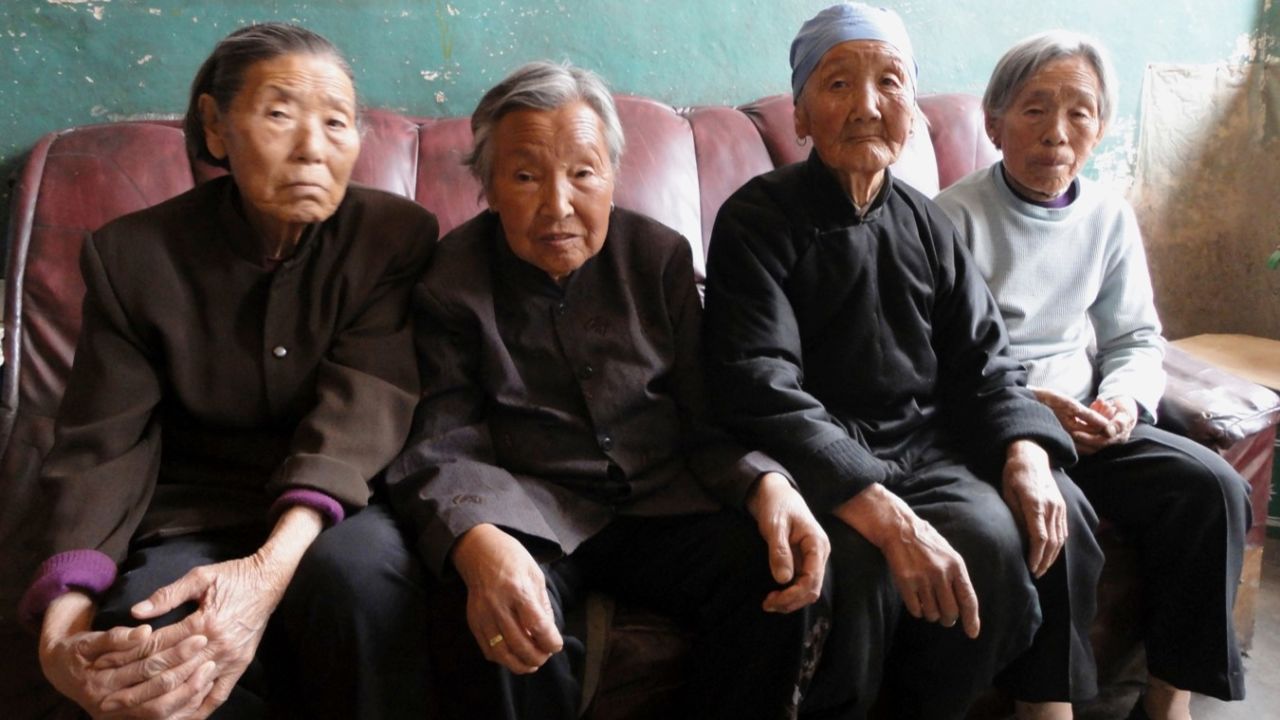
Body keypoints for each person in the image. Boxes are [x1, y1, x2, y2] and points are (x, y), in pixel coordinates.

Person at [383, 60, 830, 720]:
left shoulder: (660, 258)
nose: (558, 205)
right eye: (527, 175)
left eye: (583, 173)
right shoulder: (451, 281)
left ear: (613, 177)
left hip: (663, 501)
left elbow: (709, 415)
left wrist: (768, 483)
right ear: (491, 187)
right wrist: (478, 536)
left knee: (775, 568)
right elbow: (443, 438)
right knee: (492, 611)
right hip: (531, 511)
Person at [18, 23, 438, 719]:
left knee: (361, 588)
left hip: (338, 513)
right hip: (190, 510)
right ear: (216, 126)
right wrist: (61, 624)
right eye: (279, 114)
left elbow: (365, 401)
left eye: (336, 122)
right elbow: (103, 442)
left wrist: (267, 573)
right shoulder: (132, 257)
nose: (312, 147)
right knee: (147, 642)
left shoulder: (393, 238)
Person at [703, 5, 1106, 719]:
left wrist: (1022, 451)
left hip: (926, 452)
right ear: (800, 115)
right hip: (816, 463)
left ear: (912, 112)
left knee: (995, 541)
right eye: (837, 85)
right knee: (853, 574)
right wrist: (882, 512)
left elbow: (985, 360)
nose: (866, 106)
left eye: (890, 83)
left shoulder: (927, 223)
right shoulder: (756, 221)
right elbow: (759, 383)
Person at [935, 30, 1251, 720]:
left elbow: (1136, 336)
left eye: (1079, 112)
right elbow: (941, 362)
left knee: (1213, 489)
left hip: (1092, 424)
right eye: (1034, 109)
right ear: (994, 123)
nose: (1057, 131)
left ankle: (1169, 698)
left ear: (1102, 128)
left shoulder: (1107, 216)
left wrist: (1124, 401)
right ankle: (1047, 705)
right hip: (1000, 428)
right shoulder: (948, 220)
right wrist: (1027, 405)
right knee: (1057, 517)